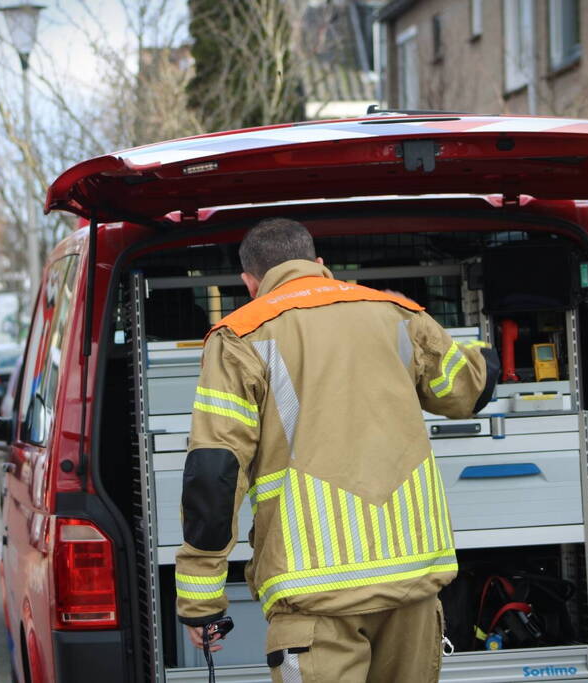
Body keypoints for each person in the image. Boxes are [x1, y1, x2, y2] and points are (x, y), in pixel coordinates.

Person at [175, 218, 499, 682]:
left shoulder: (240, 337)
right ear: (320, 264)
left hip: (312, 592)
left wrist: (201, 599)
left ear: (250, 282)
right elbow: (467, 390)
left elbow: (214, 471)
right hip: (410, 584)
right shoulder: (397, 313)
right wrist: (476, 348)